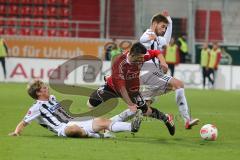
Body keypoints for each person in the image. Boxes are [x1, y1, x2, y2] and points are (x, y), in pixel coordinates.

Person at [110, 11, 199, 129]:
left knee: (141, 108)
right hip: (150, 73)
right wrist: (152, 36)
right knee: (179, 84)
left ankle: (109, 122)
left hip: (147, 76)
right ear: (155, 23)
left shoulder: (157, 38)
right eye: (162, 26)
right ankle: (187, 120)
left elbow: (166, 41)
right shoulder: (148, 34)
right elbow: (143, 38)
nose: (164, 30)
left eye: (165, 28)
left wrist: (169, 21)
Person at [87, 42, 175, 136]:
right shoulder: (120, 63)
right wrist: (130, 104)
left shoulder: (140, 56)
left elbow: (156, 52)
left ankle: (166, 118)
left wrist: (163, 63)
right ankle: (101, 125)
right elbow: (121, 87)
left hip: (133, 90)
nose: (142, 60)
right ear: (132, 55)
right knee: (91, 104)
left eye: (143, 57)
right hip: (113, 87)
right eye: (140, 58)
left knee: (146, 111)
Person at [8, 80, 142, 138]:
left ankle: (132, 127)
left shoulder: (53, 98)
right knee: (73, 130)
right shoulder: (36, 108)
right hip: (62, 128)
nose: (47, 88)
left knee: (102, 121)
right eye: (44, 88)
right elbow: (24, 122)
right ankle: (96, 135)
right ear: (38, 93)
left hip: (74, 120)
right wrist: (16, 132)